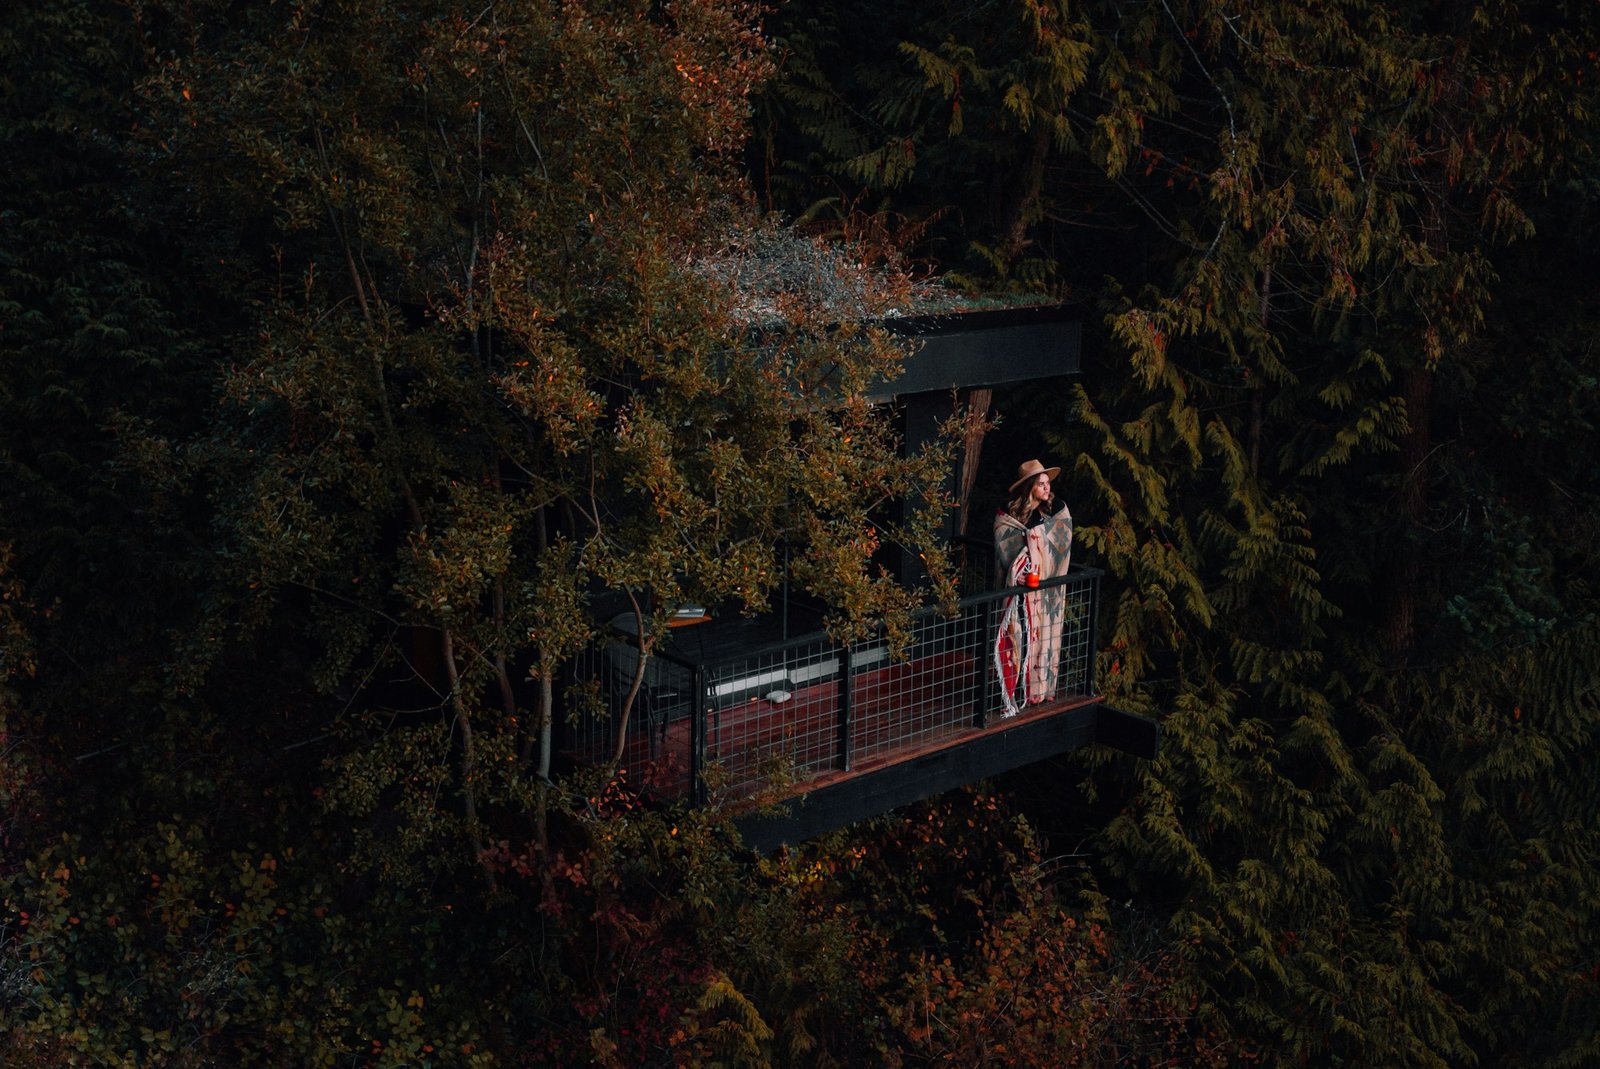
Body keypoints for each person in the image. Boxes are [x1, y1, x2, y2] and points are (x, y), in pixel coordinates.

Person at [992, 459, 1073, 716]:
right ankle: (1013, 692)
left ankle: (1036, 690)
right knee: (1018, 638)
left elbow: (1062, 545)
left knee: (1042, 640)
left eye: (1048, 483)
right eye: (1041, 484)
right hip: (1018, 594)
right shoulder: (1009, 515)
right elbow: (1004, 544)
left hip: (1044, 593)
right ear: (1029, 487)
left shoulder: (1055, 511)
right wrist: (1022, 561)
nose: (1047, 488)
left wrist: (1035, 545)